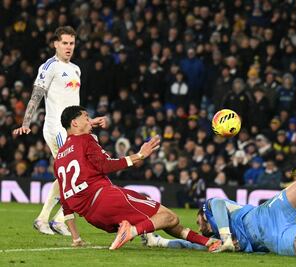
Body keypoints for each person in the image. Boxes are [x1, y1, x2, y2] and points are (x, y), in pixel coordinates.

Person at [142, 150, 296, 256]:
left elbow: (218, 203)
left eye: (198, 222)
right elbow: (188, 245)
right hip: (274, 237)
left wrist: (226, 236)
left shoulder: (212, 211)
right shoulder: (212, 240)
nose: (199, 226)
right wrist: (159, 241)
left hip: (268, 212)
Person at [54, 106, 220, 250]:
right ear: (75, 123)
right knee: (171, 217)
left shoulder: (60, 157)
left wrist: (76, 238)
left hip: (94, 218)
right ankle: (131, 231)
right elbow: (105, 165)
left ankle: (207, 242)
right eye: (87, 117)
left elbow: (65, 201)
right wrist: (140, 155)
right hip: (105, 198)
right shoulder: (86, 139)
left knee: (161, 219)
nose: (90, 121)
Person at [13, 26, 107, 235]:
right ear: (55, 44)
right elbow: (36, 95)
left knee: (70, 174)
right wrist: (26, 122)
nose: (68, 47)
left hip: (73, 129)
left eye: (71, 43)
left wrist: (89, 122)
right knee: (75, 170)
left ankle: (50, 219)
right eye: (64, 43)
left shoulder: (76, 69)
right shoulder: (49, 67)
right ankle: (55, 219)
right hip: (57, 127)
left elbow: (74, 104)